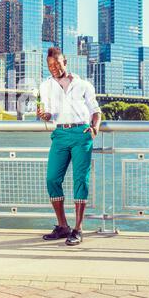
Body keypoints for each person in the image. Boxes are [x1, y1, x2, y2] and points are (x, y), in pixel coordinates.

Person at [37, 47, 102, 246]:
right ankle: (63, 226)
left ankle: (78, 229)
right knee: (52, 179)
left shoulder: (83, 85)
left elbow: (95, 110)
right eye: (50, 66)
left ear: (65, 61)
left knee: (80, 180)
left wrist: (95, 128)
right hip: (60, 135)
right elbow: (48, 113)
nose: (54, 68)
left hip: (81, 134)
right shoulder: (45, 86)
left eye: (57, 63)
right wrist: (45, 116)